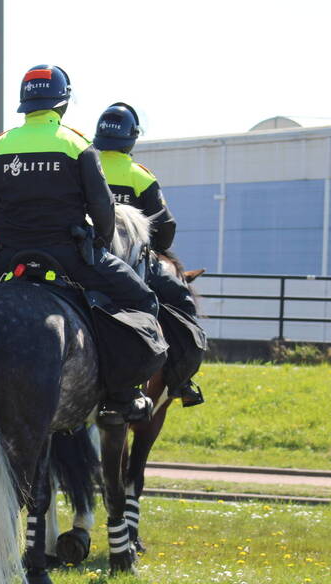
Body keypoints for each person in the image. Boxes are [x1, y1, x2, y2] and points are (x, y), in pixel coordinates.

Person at [0, 65, 160, 424]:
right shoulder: (76, 144)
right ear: (62, 104)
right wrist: (100, 245)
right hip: (69, 254)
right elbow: (102, 208)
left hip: (8, 256)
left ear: (24, 104)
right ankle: (122, 395)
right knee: (142, 300)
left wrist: (8, 235)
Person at [93, 102, 203, 406]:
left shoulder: (84, 165)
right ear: (131, 138)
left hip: (81, 257)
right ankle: (182, 379)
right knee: (182, 304)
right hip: (128, 265)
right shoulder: (140, 176)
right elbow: (165, 230)